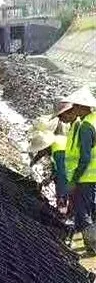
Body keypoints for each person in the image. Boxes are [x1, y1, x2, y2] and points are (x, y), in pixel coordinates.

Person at [58, 86, 96, 250]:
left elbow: (85, 157)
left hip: (85, 177)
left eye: (76, 106)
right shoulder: (92, 120)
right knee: (87, 209)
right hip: (91, 176)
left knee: (83, 214)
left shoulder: (86, 126)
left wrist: (74, 179)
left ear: (81, 107)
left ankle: (93, 247)